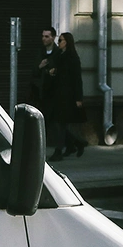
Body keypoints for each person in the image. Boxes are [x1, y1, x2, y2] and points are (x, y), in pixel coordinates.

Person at [49, 32, 87, 161]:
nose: (59, 43)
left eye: (61, 40)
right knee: (59, 124)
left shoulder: (72, 57)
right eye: (59, 40)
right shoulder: (60, 55)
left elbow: (77, 78)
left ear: (67, 42)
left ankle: (59, 151)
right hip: (59, 95)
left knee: (60, 124)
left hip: (68, 96)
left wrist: (78, 98)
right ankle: (75, 144)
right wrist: (53, 72)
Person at [30, 26, 63, 155]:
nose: (44, 39)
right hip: (41, 93)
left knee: (56, 122)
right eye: (43, 36)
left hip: (55, 93)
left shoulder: (58, 52)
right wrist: (40, 66)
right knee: (46, 121)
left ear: (53, 37)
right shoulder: (40, 52)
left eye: (47, 36)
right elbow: (33, 71)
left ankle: (58, 149)